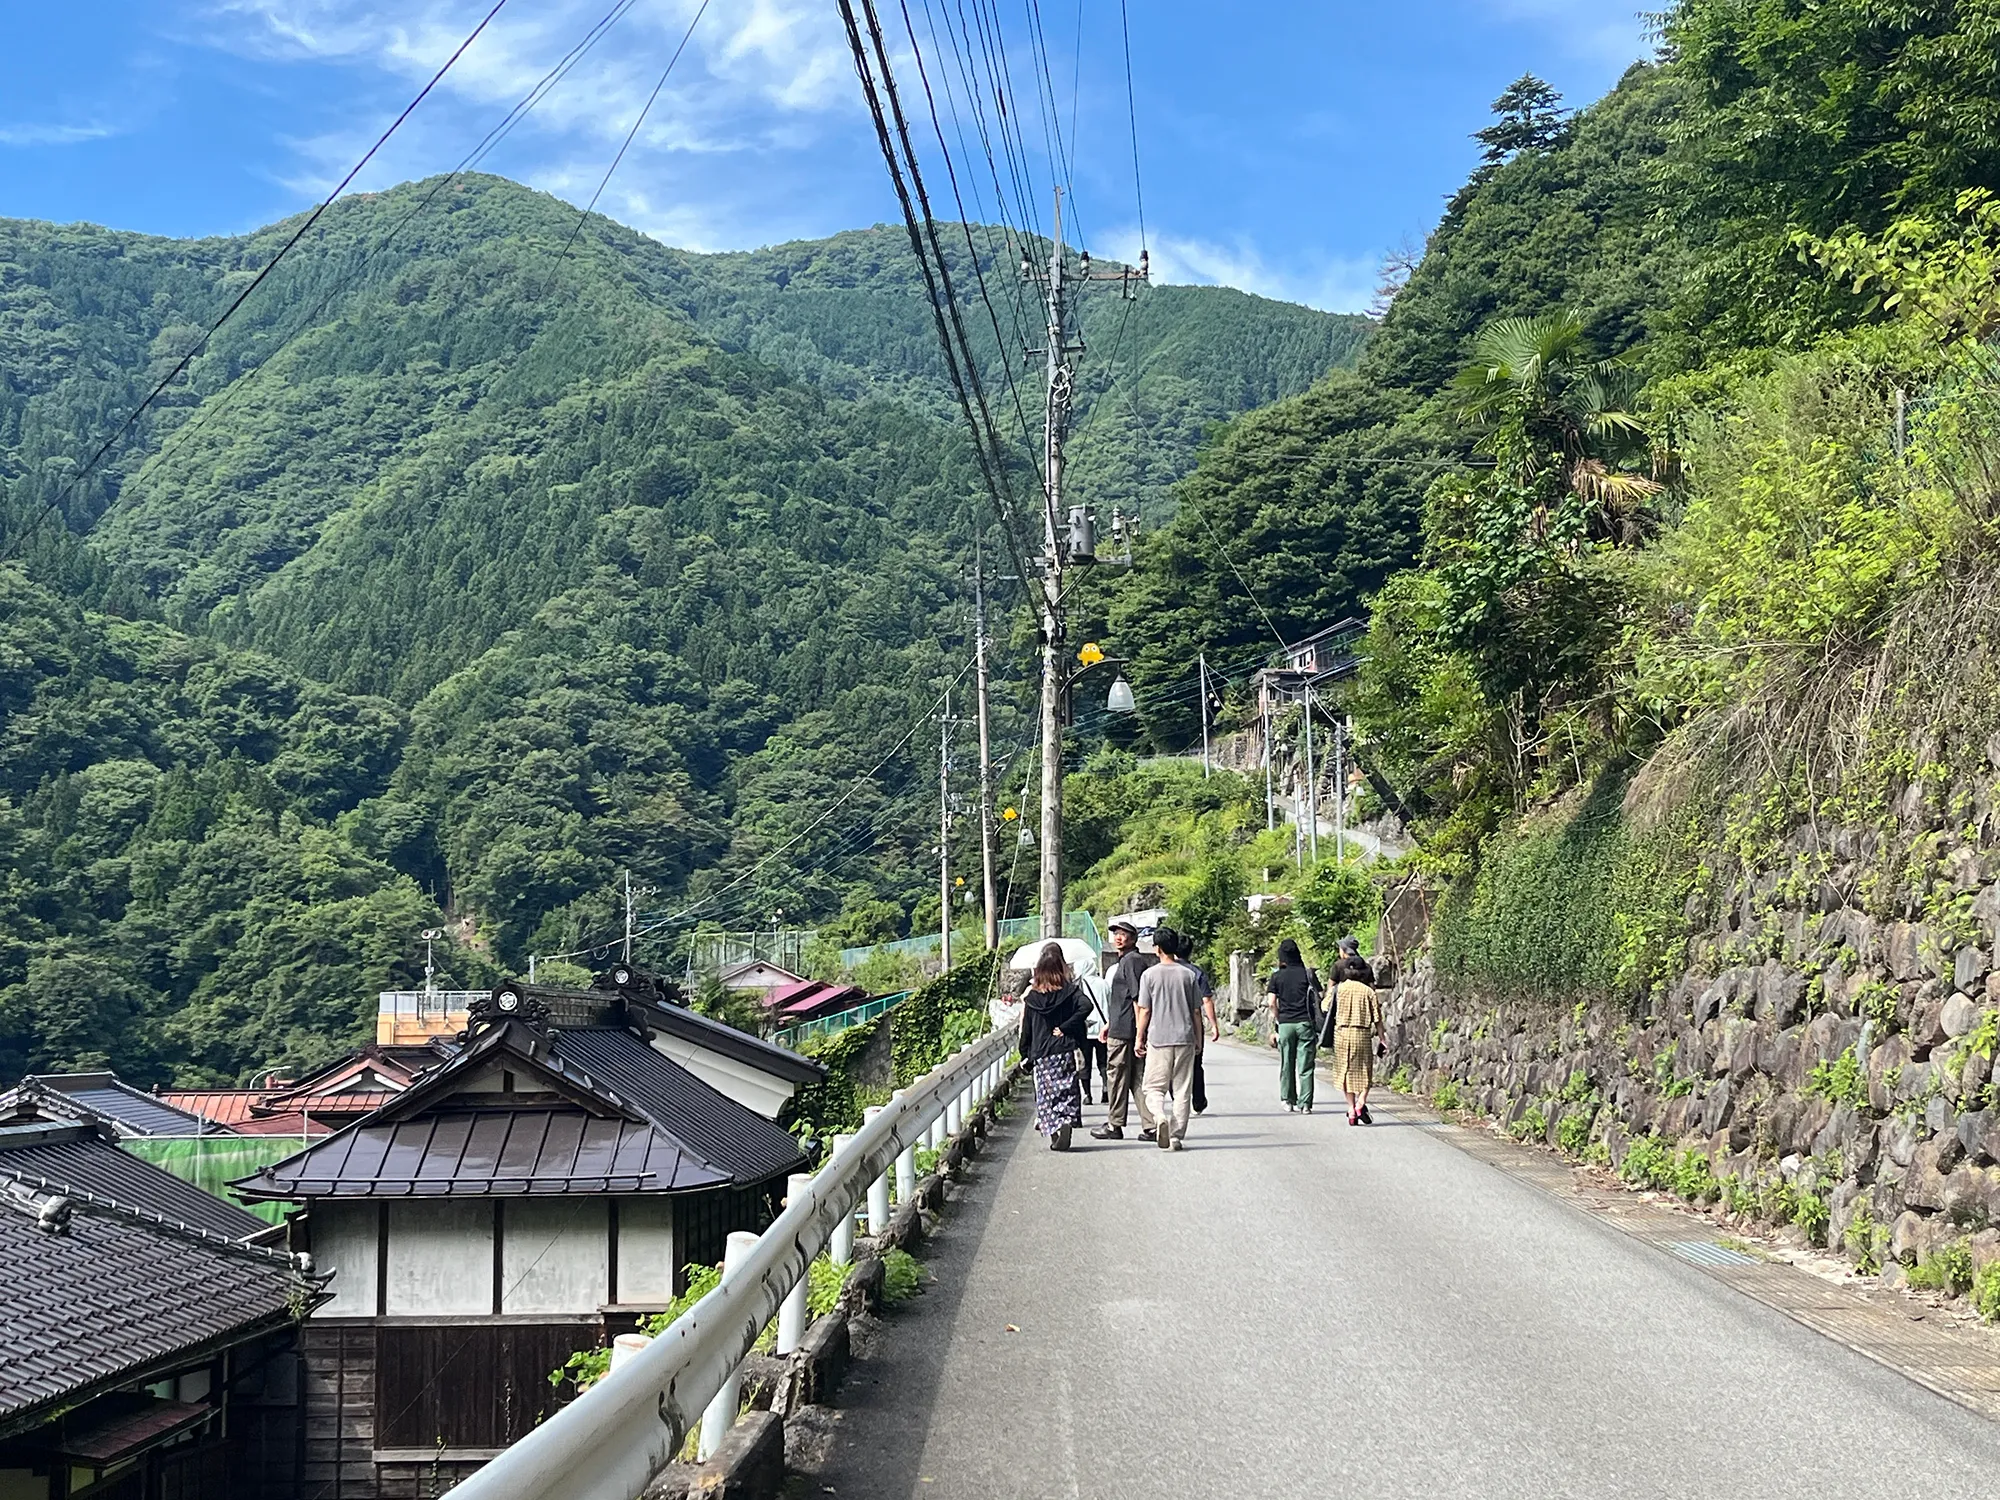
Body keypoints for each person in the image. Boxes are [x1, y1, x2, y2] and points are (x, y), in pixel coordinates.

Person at [1134, 926, 1205, 1150]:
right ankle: (1175, 1136)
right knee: (1182, 1089)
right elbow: (1196, 1011)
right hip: (1184, 1037)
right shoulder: (1188, 975)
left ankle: (1159, 1116)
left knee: (1153, 1087)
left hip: (1159, 1039)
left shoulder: (1149, 975)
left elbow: (1145, 1010)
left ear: (1157, 948)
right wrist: (1199, 1039)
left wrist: (1139, 1037)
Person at [1019, 943, 1094, 1150]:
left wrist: (1024, 1052)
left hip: (1042, 1052)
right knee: (1067, 1089)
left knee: (1046, 1095)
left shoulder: (1032, 998)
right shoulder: (1070, 992)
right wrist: (1066, 1027)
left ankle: (1054, 1133)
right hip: (1064, 1048)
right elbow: (1086, 1006)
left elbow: (1027, 1029)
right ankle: (1066, 1120)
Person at [1092, 920, 1155, 1141]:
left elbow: (1139, 1000)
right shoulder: (1128, 961)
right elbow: (1125, 1000)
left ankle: (1115, 1124)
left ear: (1133, 938)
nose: (1118, 937)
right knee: (1137, 1079)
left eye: (1123, 934)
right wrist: (1110, 1023)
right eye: (1116, 933)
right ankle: (1151, 1125)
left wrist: (1140, 1034)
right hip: (1122, 1026)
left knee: (1117, 1077)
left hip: (1125, 1032)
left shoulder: (1131, 961)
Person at [1265, 939, 1322, 1113]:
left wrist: (1278, 1018)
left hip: (1285, 1024)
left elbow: (1271, 1002)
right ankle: (1305, 1104)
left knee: (1287, 1063)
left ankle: (1288, 1100)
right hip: (1305, 1023)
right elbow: (1319, 995)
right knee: (1306, 1065)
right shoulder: (1307, 974)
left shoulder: (1277, 976)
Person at [1330, 948, 1385, 1125]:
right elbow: (1377, 1018)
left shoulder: (1338, 989)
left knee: (1345, 1071)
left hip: (1341, 1034)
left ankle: (1351, 1109)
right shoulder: (1368, 992)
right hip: (1361, 1034)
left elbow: (1325, 1007)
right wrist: (1383, 1038)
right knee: (1365, 1070)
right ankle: (1361, 1103)